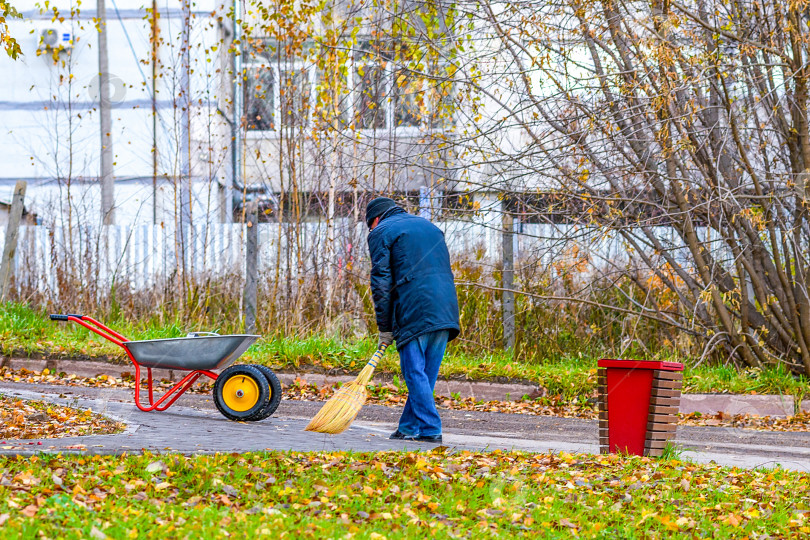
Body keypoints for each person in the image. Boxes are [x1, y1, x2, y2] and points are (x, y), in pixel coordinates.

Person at [365, 196, 460, 443]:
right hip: (446, 306)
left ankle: (430, 429)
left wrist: (385, 328)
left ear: (375, 219)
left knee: (413, 372)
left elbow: (381, 283)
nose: (371, 230)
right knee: (424, 375)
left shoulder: (381, 232)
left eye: (369, 226)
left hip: (414, 307)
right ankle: (408, 427)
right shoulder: (430, 226)